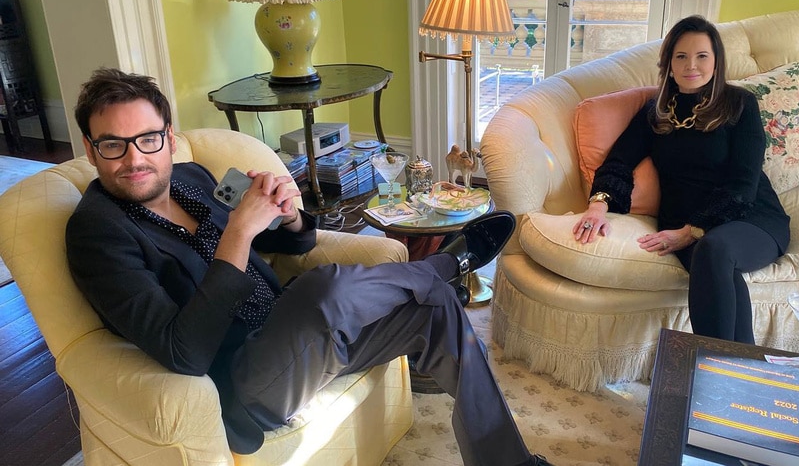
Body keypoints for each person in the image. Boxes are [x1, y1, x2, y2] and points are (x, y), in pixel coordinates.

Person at [66, 68, 554, 466]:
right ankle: (446, 264)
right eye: (113, 144)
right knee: (321, 290)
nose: (134, 159)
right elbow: (185, 353)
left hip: (297, 338)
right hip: (242, 382)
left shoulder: (191, 178)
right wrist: (238, 233)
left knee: (435, 310)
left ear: (169, 140)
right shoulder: (98, 232)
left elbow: (298, 241)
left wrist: (287, 210)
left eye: (147, 139)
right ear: (90, 149)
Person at [573, 15, 790, 344]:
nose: (692, 65)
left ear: (716, 62)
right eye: (681, 56)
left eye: (702, 56)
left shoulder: (739, 104)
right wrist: (598, 207)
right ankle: (740, 372)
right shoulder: (656, 112)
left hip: (750, 217)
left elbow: (744, 183)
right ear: (668, 64)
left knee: (713, 247)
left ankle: (716, 370)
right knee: (715, 258)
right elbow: (618, 160)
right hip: (683, 220)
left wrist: (691, 232)